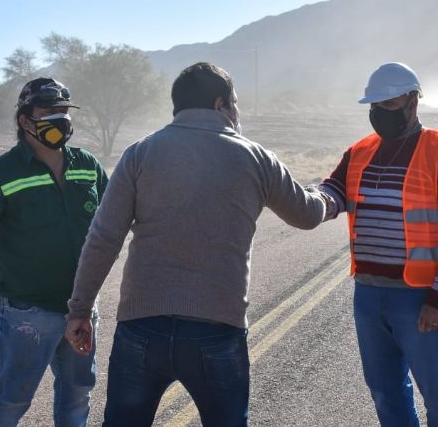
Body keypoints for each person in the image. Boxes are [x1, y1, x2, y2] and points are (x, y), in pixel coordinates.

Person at [63, 62, 328, 427]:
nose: (237, 112)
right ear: (221, 104)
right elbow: (308, 214)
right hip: (217, 328)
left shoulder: (139, 154)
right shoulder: (254, 156)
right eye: (234, 103)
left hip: (142, 326)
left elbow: (103, 238)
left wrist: (80, 309)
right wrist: (329, 194)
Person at [319, 62, 438, 427]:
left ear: (413, 102)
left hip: (420, 297)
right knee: (385, 391)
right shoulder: (360, 151)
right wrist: (302, 199)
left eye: (388, 105)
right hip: (369, 296)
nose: (378, 114)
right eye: (374, 107)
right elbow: (333, 194)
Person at [0, 77, 108, 427]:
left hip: (82, 307)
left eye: (63, 111)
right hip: (27, 314)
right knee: (11, 399)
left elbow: (114, 219)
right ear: (25, 121)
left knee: (78, 394)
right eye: (49, 112)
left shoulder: (87, 165)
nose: (60, 119)